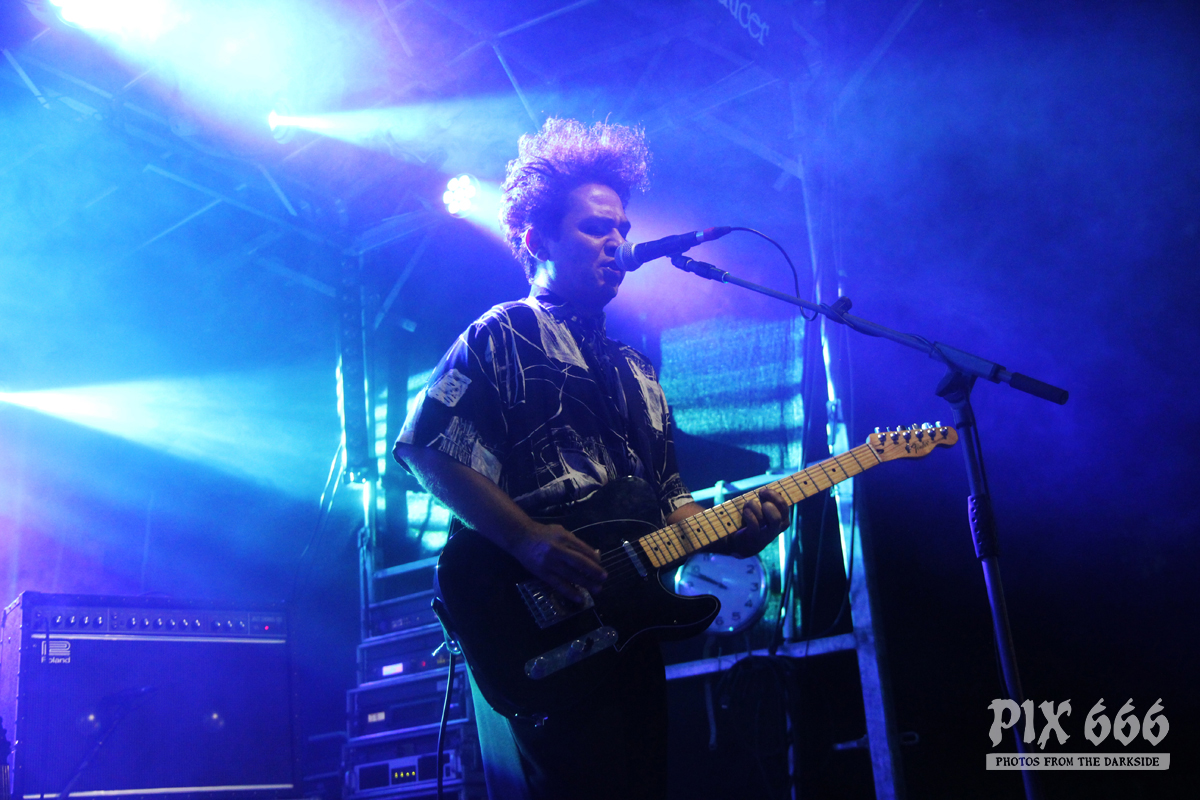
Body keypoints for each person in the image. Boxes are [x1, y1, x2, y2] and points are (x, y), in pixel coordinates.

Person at [393, 118, 787, 800]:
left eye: (622, 228)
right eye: (595, 227)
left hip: (628, 630)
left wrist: (738, 530)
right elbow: (426, 447)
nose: (617, 241)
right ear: (535, 240)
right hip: (542, 619)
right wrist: (526, 538)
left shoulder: (639, 370)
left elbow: (672, 508)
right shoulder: (502, 332)